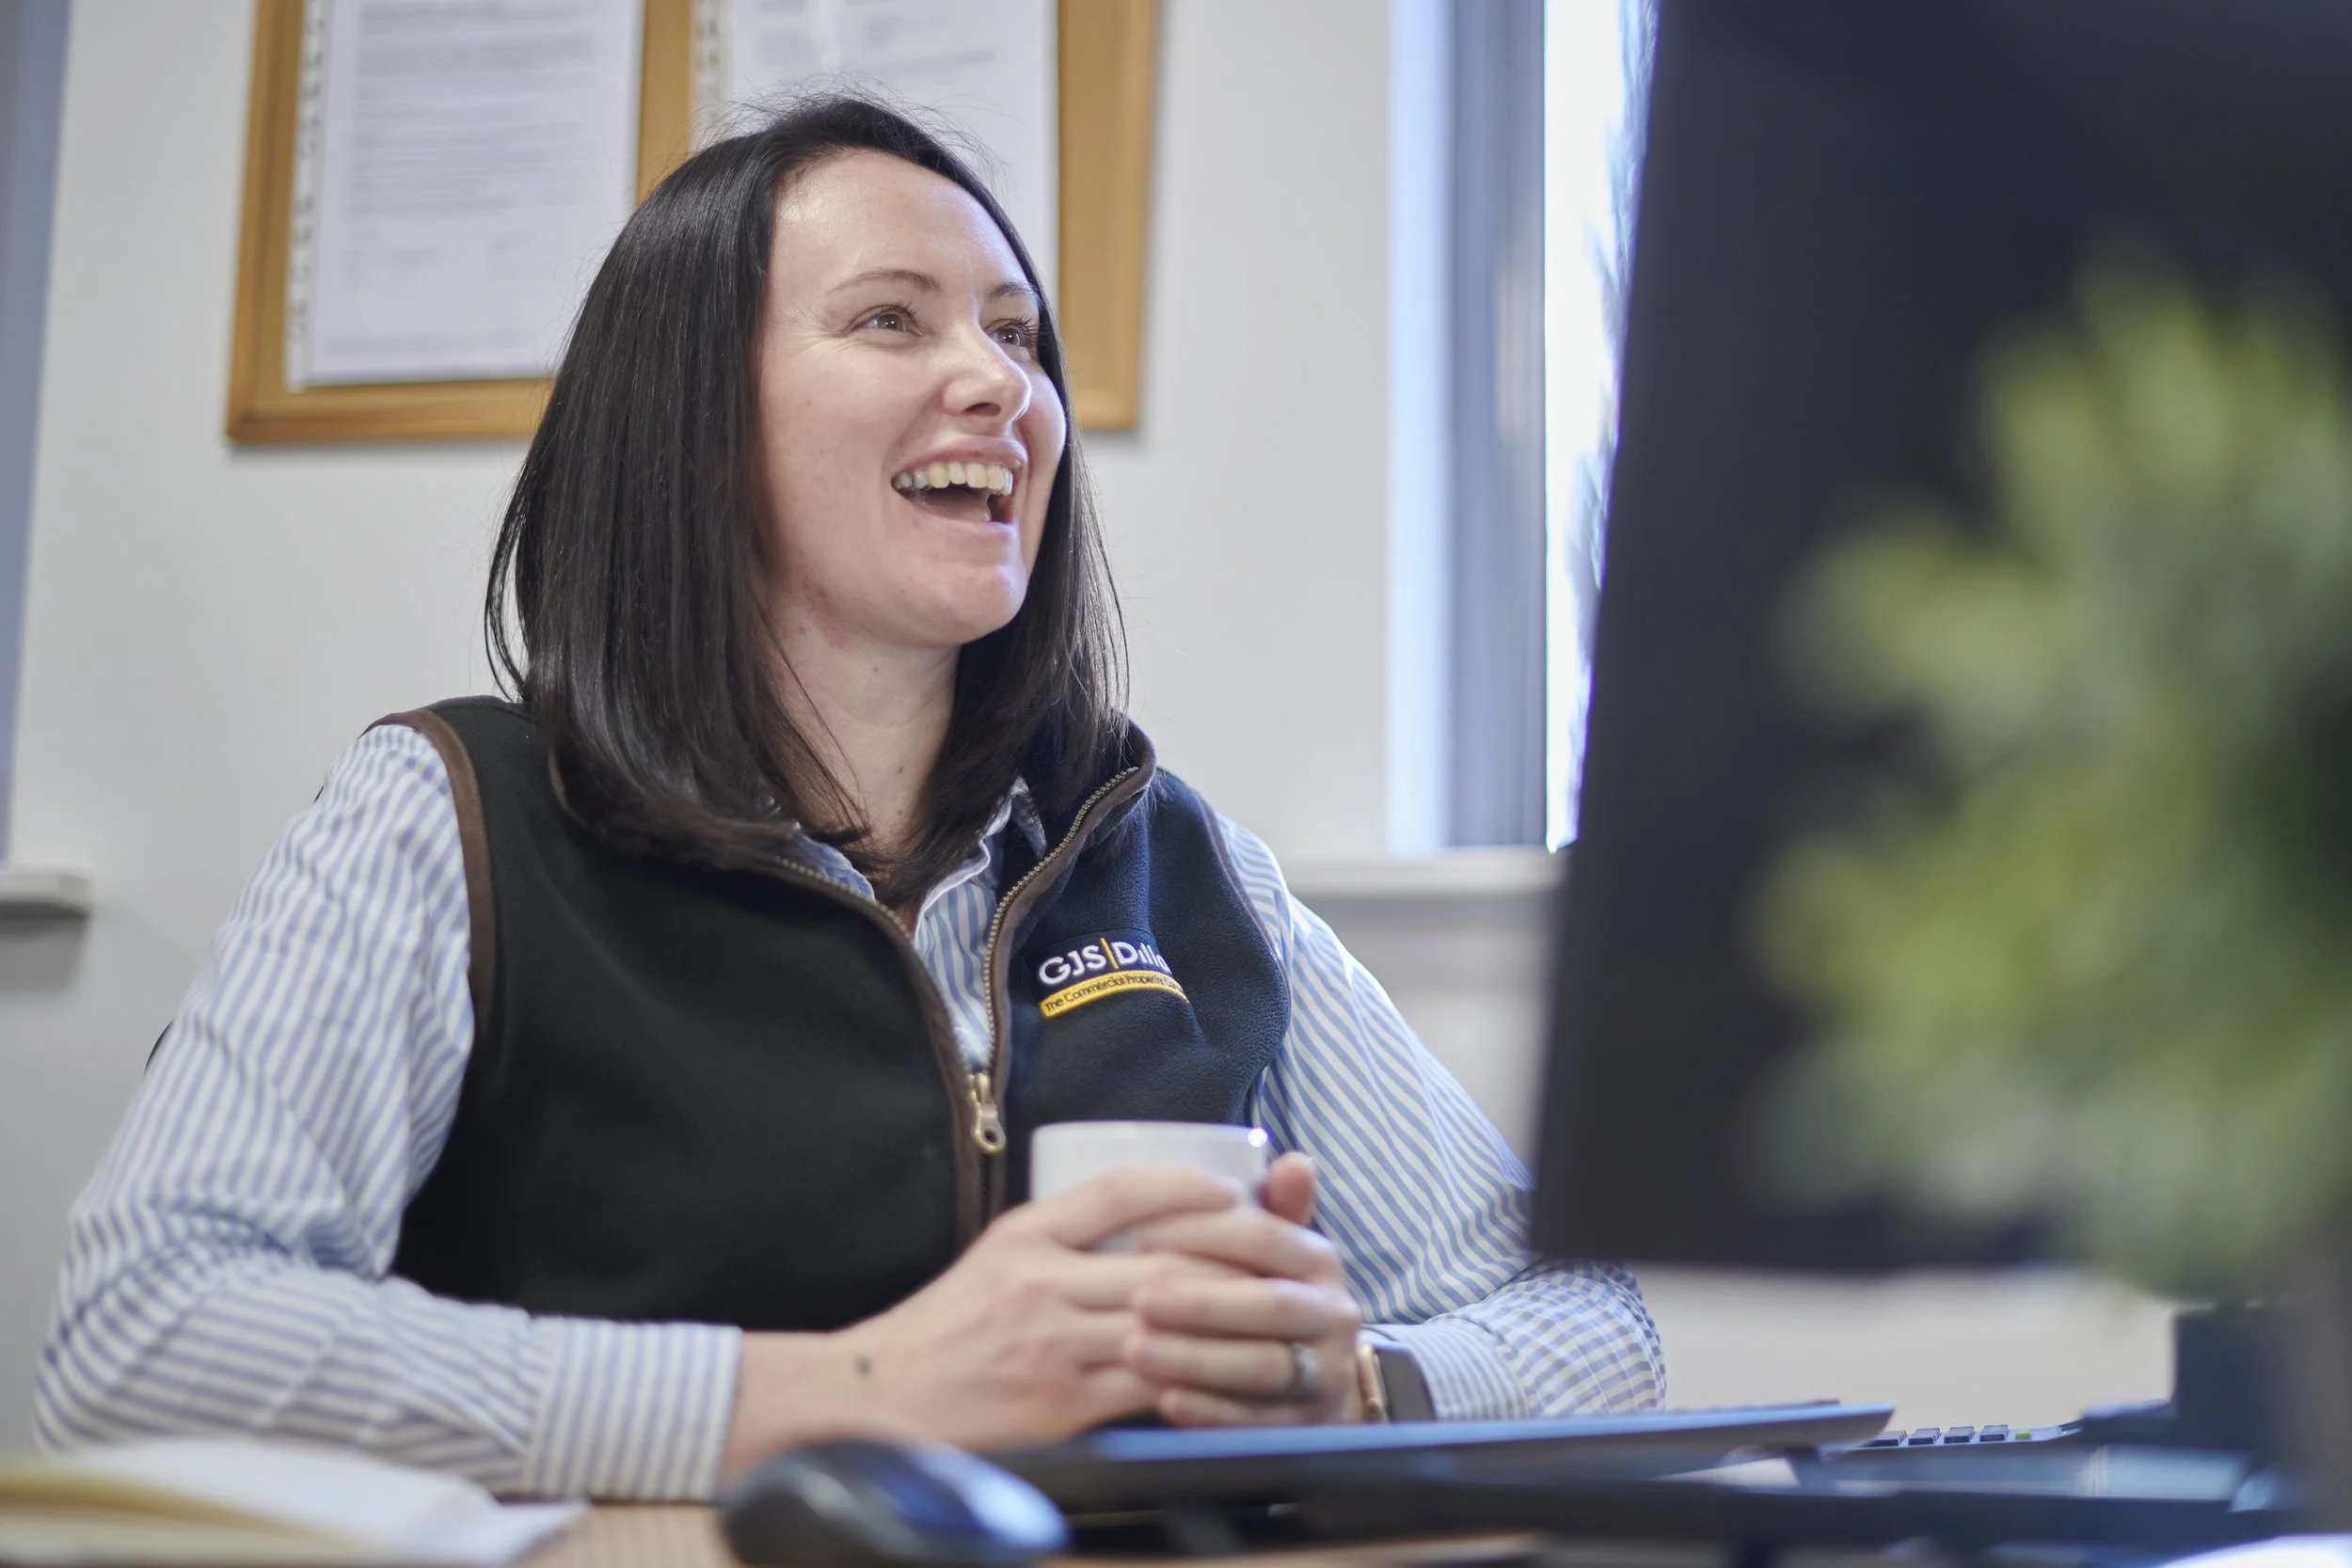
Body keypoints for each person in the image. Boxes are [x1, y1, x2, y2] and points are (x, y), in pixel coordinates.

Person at [34, 99, 1663, 1500]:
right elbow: (142, 1331)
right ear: (690, 419)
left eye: (1017, 334)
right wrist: (851, 1394)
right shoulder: (444, 817)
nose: (1000, 387)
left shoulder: (1174, 858)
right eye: (893, 319)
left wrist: (1355, 1388)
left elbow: (1594, 1320)